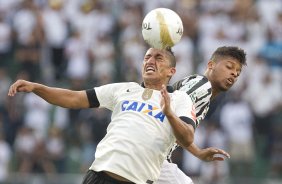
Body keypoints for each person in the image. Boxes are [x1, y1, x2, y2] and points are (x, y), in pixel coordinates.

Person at [8, 48, 197, 184]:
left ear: (172, 71)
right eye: (147, 57)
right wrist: (37, 87)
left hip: (136, 180)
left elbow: (188, 138)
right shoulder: (124, 89)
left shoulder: (179, 99)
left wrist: (169, 114)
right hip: (98, 175)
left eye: (158, 58)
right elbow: (73, 98)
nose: (150, 61)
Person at [156, 46, 247, 184]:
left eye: (238, 72)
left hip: (156, 153)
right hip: (153, 152)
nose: (234, 74)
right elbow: (169, 116)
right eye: (229, 67)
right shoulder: (202, 87)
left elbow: (178, 127)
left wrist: (198, 152)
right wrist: (197, 151)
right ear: (210, 65)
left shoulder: (199, 86)